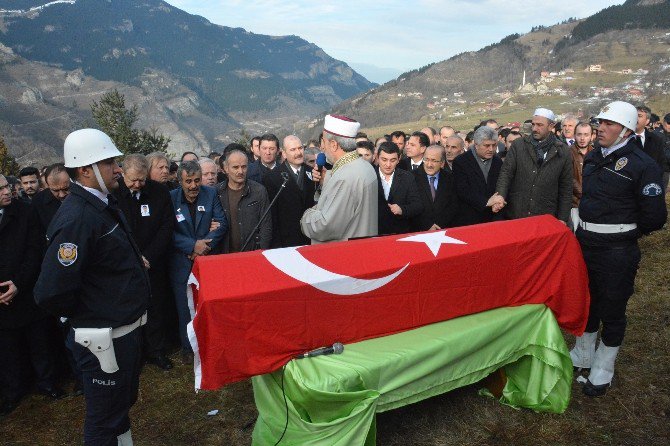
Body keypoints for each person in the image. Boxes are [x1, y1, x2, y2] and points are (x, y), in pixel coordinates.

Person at [33, 129, 148, 444]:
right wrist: (88, 316)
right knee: (102, 422)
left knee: (119, 409)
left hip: (121, 334)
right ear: (85, 169)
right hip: (102, 340)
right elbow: (50, 291)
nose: (118, 168)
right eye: (109, 162)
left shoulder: (100, 204)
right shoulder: (78, 218)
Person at [571, 101, 667, 397]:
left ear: (625, 130)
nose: (600, 128)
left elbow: (654, 216)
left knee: (612, 307)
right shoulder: (594, 156)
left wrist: (623, 233)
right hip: (586, 243)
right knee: (587, 301)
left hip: (616, 249)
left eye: (609, 124)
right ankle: (583, 355)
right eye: (600, 122)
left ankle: (603, 367)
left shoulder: (643, 165)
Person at [1, 174, 64, 417]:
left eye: (7, 186)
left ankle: (47, 382)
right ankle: (12, 392)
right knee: (7, 348)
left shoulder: (26, 212)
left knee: (39, 341)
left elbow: (34, 250)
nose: (7, 191)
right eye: (1, 189)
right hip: (2, 297)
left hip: (26, 290)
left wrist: (18, 283)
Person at [113, 154, 175, 371]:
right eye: (133, 181)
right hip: (125, 265)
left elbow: (167, 226)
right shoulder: (113, 194)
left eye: (141, 180)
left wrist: (149, 256)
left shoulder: (159, 192)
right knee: (131, 311)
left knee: (156, 306)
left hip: (153, 262)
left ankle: (157, 351)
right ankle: (133, 355)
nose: (137, 185)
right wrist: (133, 258)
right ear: (122, 174)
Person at [169, 160, 227, 363]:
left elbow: (221, 224)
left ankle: (211, 345)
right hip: (181, 262)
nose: (193, 186)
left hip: (207, 261)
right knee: (183, 307)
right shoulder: (171, 199)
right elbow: (168, 231)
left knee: (207, 305)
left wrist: (203, 247)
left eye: (196, 180)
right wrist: (192, 246)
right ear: (180, 182)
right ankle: (188, 348)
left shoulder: (210, 194)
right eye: (188, 181)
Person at [301, 114, 378, 243]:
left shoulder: (344, 178)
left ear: (334, 144)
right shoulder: (365, 166)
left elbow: (325, 226)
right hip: (362, 249)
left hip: (344, 256)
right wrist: (326, 180)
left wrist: (306, 217)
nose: (323, 147)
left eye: (324, 142)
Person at [491, 108, 573, 223]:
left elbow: (566, 187)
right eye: (533, 124)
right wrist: (500, 196)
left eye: (540, 125)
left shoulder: (562, 151)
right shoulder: (519, 145)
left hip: (546, 216)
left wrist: (562, 218)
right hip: (517, 213)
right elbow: (506, 173)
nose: (535, 128)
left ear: (551, 126)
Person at [264, 136, 316, 247]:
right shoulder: (273, 177)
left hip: (312, 237)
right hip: (286, 240)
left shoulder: (313, 173)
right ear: (284, 153)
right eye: (293, 150)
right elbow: (273, 215)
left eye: (300, 148)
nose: (298, 152)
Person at [217, 150, 271, 253]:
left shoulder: (259, 191)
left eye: (244, 167)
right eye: (235, 167)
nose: (240, 171)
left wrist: (261, 252)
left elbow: (266, 226)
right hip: (224, 255)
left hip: (252, 255)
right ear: (226, 169)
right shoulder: (217, 192)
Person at [452, 127, 503, 226]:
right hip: (469, 219)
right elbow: (462, 190)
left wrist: (497, 203)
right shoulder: (461, 162)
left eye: (494, 145)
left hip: (493, 217)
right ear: (476, 145)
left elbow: (500, 185)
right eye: (487, 145)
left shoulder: (497, 162)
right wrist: (486, 202)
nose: (491, 149)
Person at [376, 141, 423, 235]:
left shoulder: (407, 177)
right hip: (375, 233)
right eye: (384, 160)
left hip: (400, 232)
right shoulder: (369, 176)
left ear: (399, 159)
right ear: (377, 158)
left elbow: (417, 205)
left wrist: (402, 209)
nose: (388, 165)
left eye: (392, 160)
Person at [411, 145, 459, 231]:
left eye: (434, 161)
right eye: (426, 160)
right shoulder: (411, 177)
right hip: (418, 231)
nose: (429, 165)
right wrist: (427, 225)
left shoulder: (450, 179)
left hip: (443, 230)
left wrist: (438, 225)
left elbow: (453, 206)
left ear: (442, 163)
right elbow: (410, 206)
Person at [571, 122, 595, 209]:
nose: (582, 138)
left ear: (592, 136)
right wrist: (583, 194)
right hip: (573, 204)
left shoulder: (597, 154)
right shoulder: (567, 153)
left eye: (586, 135)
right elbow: (569, 178)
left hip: (592, 203)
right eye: (579, 134)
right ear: (574, 136)